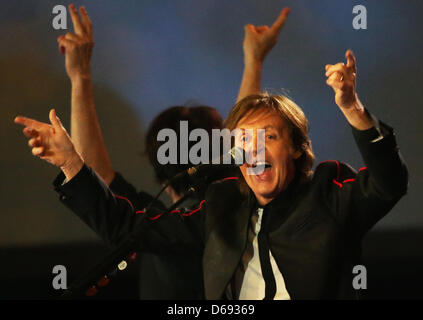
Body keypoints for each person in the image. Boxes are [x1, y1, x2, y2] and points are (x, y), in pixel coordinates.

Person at [15, 13, 408, 300]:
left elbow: (389, 182)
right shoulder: (220, 205)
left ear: (295, 146)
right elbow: (125, 225)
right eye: (243, 142)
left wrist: (353, 107)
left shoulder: (329, 192)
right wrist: (69, 163)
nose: (253, 149)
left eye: (268, 137)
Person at [49, 4, 289, 298]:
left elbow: (95, 176)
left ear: (155, 160)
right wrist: (254, 61)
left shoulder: (165, 224)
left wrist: (80, 77)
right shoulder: (229, 215)